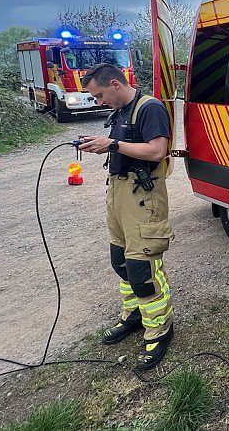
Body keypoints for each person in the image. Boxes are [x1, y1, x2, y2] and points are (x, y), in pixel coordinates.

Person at [78, 63, 174, 370]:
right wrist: (100, 143)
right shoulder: (120, 110)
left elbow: (157, 151)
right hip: (118, 193)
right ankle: (133, 316)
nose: (99, 102)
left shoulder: (150, 108)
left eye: (100, 95)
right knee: (120, 261)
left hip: (143, 199)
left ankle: (159, 330)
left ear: (115, 85)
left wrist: (113, 144)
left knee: (142, 269)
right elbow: (122, 146)